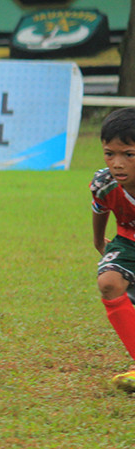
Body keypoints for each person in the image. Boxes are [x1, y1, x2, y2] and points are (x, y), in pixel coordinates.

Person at [91, 108, 135, 392]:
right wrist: (98, 241)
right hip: (128, 240)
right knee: (108, 282)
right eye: (110, 153)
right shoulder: (104, 183)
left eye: (128, 155)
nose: (117, 164)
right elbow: (100, 208)